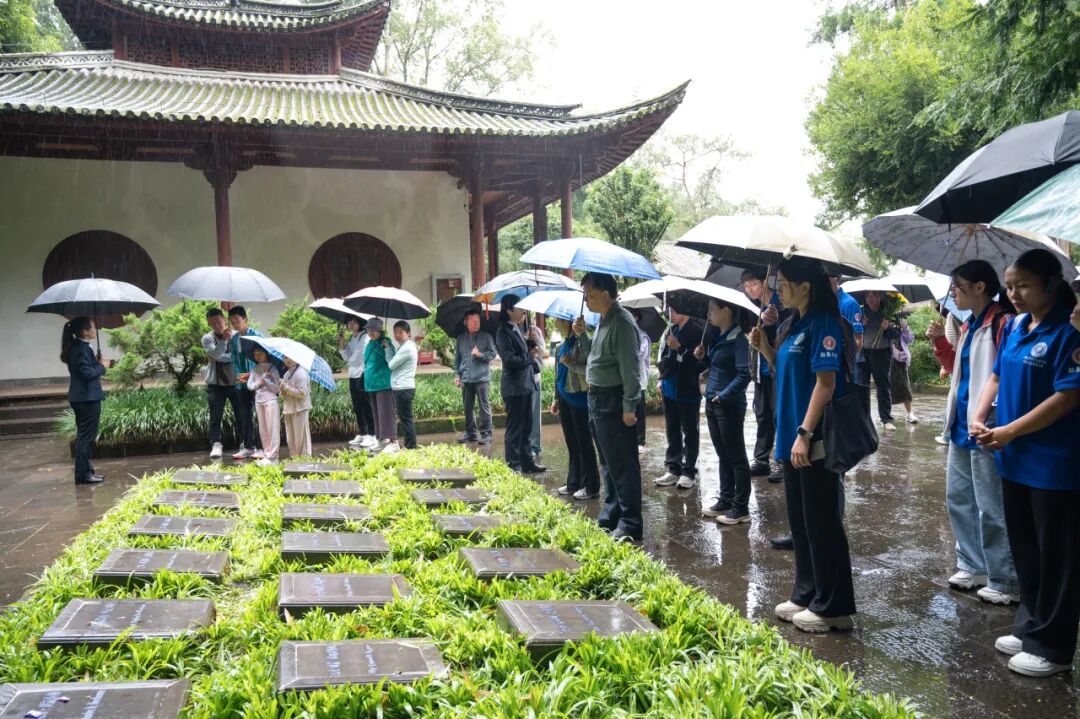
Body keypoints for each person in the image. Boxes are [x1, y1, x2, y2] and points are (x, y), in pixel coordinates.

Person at [971, 249, 1080, 678]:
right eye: (1010, 286)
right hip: (1013, 458)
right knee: (1026, 550)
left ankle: (1052, 647)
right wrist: (979, 415)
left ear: (1051, 285)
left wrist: (1010, 430)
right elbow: (997, 375)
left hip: (1054, 463)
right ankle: (1030, 624)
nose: (1013, 294)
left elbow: (1068, 396)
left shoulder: (1070, 332)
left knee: (1057, 557)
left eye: (1023, 286)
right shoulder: (1016, 326)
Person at [750, 255, 856, 633]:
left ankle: (834, 607)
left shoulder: (825, 323)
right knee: (801, 522)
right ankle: (807, 593)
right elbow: (785, 371)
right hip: (790, 437)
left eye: (783, 285)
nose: (777, 291)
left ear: (805, 286)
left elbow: (825, 384)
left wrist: (805, 433)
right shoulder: (793, 323)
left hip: (813, 438)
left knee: (822, 521)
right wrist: (765, 348)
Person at [927, 259, 1019, 605]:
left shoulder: (1002, 323)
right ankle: (972, 565)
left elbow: (1004, 376)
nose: (953, 293)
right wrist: (940, 342)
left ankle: (1004, 578)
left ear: (980, 287)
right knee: (959, 500)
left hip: (986, 427)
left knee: (991, 506)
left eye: (958, 286)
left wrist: (995, 418)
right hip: (960, 425)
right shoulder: (969, 325)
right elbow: (957, 370)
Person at [573, 272, 643, 542]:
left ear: (605, 294)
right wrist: (582, 337)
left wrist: (629, 406)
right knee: (608, 462)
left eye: (589, 295)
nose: (586, 301)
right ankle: (613, 512)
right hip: (597, 399)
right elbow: (597, 356)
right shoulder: (603, 320)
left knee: (622, 464)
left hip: (613, 399)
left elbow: (630, 368)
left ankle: (630, 522)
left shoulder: (622, 322)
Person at [696, 299, 752, 525]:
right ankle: (726, 499)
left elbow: (744, 374)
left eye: (712, 309)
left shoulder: (739, 339)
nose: (709, 313)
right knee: (723, 454)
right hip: (713, 402)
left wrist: (724, 395)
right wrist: (703, 356)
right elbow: (717, 367)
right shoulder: (718, 337)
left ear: (726, 310)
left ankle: (741, 508)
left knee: (736, 456)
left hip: (728, 405)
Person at [653, 305, 704, 489]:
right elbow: (665, 357)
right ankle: (673, 468)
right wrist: (662, 378)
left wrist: (679, 347)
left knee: (690, 432)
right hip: (669, 387)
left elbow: (698, 362)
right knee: (672, 430)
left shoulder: (696, 331)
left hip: (687, 389)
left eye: (673, 311)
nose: (670, 315)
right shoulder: (671, 329)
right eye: (668, 311)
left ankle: (689, 471)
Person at [741, 269, 784, 483]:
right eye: (746, 287)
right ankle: (761, 459)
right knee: (762, 413)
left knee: (779, 414)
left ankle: (782, 461)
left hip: (778, 367)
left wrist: (775, 320)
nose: (750, 290)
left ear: (765, 281)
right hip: (759, 369)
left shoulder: (781, 302)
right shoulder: (751, 308)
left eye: (754, 284)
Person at [551, 317, 600, 500]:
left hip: (579, 399)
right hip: (564, 398)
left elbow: (590, 369)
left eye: (560, 321)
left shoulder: (583, 343)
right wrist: (556, 398)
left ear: (569, 323)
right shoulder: (561, 346)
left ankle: (591, 485)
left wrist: (570, 363)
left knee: (584, 443)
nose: (556, 324)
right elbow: (558, 374)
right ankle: (574, 482)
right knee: (572, 443)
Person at [496, 294, 545, 474]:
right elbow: (510, 360)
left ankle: (527, 462)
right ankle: (513, 464)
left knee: (526, 426)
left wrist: (529, 341)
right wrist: (529, 357)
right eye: (520, 307)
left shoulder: (517, 328)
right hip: (514, 387)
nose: (523, 310)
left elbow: (524, 352)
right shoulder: (503, 332)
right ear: (509, 310)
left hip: (526, 385)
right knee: (515, 428)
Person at [63, 317, 106, 485]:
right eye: (93, 327)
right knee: (86, 437)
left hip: (82, 397)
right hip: (87, 398)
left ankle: (85, 472)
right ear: (84, 332)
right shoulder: (81, 349)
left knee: (84, 436)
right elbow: (87, 374)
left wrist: (97, 362)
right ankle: (83, 475)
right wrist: (102, 366)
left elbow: (85, 369)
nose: (95, 329)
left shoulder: (78, 347)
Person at [855, 290, 898, 431]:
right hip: (862, 354)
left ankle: (886, 419)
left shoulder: (889, 312)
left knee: (883, 387)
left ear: (880, 296)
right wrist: (860, 324)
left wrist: (887, 328)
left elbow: (897, 334)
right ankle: (862, 418)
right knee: (861, 387)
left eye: (874, 294)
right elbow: (850, 330)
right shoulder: (860, 311)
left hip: (881, 354)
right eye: (868, 294)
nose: (870, 297)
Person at [202, 307, 240, 459]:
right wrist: (223, 341)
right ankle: (216, 443)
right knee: (215, 416)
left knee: (241, 414)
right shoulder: (207, 338)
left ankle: (245, 443)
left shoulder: (236, 335)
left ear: (224, 319)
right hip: (216, 384)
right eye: (213, 324)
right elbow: (216, 354)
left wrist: (219, 356)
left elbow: (238, 355)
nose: (217, 326)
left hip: (235, 381)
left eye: (219, 322)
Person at [454, 309, 496, 445]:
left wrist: (480, 354)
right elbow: (457, 360)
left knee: (484, 406)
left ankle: (486, 433)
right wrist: (457, 375)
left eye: (478, 321)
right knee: (467, 407)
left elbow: (492, 354)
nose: (476, 324)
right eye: (473, 321)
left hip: (482, 377)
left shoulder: (486, 336)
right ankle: (471, 432)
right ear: (466, 322)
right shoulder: (460, 339)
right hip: (466, 377)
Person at [227, 306, 263, 460]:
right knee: (243, 415)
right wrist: (238, 375)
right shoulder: (234, 339)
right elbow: (234, 360)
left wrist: (251, 374)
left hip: (257, 381)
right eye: (232, 322)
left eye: (237, 320)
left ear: (245, 319)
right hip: (241, 382)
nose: (235, 324)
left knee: (261, 415)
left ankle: (262, 447)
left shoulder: (257, 336)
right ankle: (248, 446)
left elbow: (263, 360)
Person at [339, 317, 374, 450]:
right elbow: (346, 355)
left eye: (354, 322)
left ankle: (372, 433)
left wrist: (348, 360)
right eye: (349, 322)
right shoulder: (353, 338)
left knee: (366, 405)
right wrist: (342, 341)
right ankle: (363, 432)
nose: (351, 325)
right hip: (353, 374)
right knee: (357, 405)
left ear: (360, 323)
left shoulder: (365, 337)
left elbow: (359, 356)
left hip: (362, 373)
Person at [363, 318, 396, 450]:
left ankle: (391, 440)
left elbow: (392, 359)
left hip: (383, 382)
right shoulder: (370, 343)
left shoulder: (385, 341)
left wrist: (386, 347)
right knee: (376, 412)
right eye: (369, 330)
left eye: (374, 330)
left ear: (380, 330)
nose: (371, 333)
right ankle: (381, 439)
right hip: (371, 383)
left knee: (385, 412)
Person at [386, 320, 418, 452]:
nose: (397, 335)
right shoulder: (405, 346)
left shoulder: (407, 348)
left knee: (406, 419)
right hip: (403, 387)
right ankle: (410, 445)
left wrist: (387, 349)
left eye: (401, 332)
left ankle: (411, 446)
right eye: (395, 332)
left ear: (408, 333)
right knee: (405, 418)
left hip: (403, 387)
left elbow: (391, 365)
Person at [247, 346, 281, 466]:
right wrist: (260, 381)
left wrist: (267, 380)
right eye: (256, 354)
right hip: (259, 401)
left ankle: (273, 456)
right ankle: (267, 453)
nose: (258, 356)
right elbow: (250, 386)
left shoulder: (273, 369)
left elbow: (276, 389)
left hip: (270, 401)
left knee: (272, 428)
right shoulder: (254, 369)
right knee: (263, 430)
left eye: (260, 353)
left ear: (266, 354)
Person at [279, 356, 312, 457]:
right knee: (291, 439)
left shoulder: (301, 373)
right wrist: (282, 390)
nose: (288, 360)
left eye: (290, 358)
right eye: (285, 358)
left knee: (301, 439)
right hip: (289, 409)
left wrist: (286, 387)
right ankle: (294, 459)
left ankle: (304, 460)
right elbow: (282, 394)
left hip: (299, 409)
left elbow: (303, 393)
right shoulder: (287, 373)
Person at [629, 308, 650, 453]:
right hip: (627, 379)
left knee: (639, 411)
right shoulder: (627, 334)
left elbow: (637, 356)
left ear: (636, 317)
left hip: (639, 380)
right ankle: (631, 439)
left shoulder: (643, 337)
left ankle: (641, 441)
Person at [527, 318, 548, 458]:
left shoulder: (535, 331)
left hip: (534, 376)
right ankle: (524, 445)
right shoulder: (513, 331)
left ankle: (534, 446)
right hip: (519, 379)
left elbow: (542, 352)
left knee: (534, 412)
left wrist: (531, 341)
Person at [891, 317, 918, 424]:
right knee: (886, 387)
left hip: (901, 361)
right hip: (887, 359)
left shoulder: (902, 328)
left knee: (904, 386)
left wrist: (905, 328)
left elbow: (910, 339)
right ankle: (885, 413)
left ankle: (909, 413)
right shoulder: (884, 324)